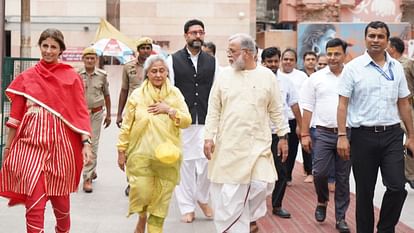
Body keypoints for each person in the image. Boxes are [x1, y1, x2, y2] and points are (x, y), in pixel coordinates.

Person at [0, 28, 92, 233]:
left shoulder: (71, 78)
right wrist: (7, 150)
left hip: (61, 149)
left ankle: (63, 230)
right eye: (45, 46)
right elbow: (14, 118)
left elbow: (79, 114)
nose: (48, 51)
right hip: (30, 148)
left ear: (61, 50)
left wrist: (86, 143)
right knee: (35, 203)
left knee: (61, 205)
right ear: (40, 46)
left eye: (53, 47)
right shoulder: (27, 78)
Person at [204, 33, 289, 233]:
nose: (229, 55)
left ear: (247, 53)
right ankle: (243, 226)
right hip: (229, 145)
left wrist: (283, 136)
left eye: (232, 51)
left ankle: (248, 219)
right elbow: (213, 109)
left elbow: (277, 109)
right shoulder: (223, 75)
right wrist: (209, 136)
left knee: (261, 184)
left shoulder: (267, 76)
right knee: (228, 194)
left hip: (258, 144)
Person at [337, 21, 414, 233]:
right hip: (362, 137)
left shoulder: (396, 67)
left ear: (387, 40)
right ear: (365, 38)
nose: (376, 40)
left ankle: (386, 228)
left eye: (380, 36)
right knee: (365, 194)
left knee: (398, 187)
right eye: (372, 36)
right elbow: (342, 103)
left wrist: (412, 135)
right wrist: (342, 135)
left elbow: (404, 103)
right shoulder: (353, 68)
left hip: (391, 135)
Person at [117, 54, 192, 233]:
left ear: (167, 72)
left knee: (162, 198)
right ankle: (142, 217)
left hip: (167, 158)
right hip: (140, 155)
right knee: (141, 193)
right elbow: (127, 124)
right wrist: (121, 150)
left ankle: (155, 227)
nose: (158, 75)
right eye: (154, 71)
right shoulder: (137, 95)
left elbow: (187, 120)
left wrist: (169, 110)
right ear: (147, 74)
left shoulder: (175, 94)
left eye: (162, 71)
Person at [300, 38, 351, 233]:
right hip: (322, 133)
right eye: (329, 53)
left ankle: (341, 217)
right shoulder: (316, 78)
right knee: (319, 173)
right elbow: (308, 106)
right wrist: (305, 133)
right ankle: (322, 201)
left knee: (343, 177)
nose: (332, 57)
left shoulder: (352, 76)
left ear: (344, 55)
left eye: (337, 53)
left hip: (347, 134)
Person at [168, 19, 216, 223]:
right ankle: (187, 207)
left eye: (201, 32)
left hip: (206, 118)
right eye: (194, 32)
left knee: (207, 162)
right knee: (185, 165)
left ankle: (202, 198)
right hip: (183, 120)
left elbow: (216, 90)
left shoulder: (212, 61)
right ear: (186, 35)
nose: (198, 36)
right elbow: (169, 90)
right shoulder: (172, 60)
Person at [261, 46, 301, 219]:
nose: (273, 64)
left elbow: (294, 105)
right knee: (258, 172)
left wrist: (301, 127)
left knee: (282, 171)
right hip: (259, 134)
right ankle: (255, 205)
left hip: (280, 134)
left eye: (275, 61)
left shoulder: (286, 82)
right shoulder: (256, 80)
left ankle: (277, 205)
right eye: (269, 61)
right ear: (263, 62)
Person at [117, 36, 153, 196]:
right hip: (133, 113)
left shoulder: (156, 66)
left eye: (148, 47)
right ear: (138, 50)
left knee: (149, 148)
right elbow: (124, 90)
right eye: (143, 48)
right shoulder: (128, 67)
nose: (146, 50)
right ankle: (131, 182)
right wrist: (119, 114)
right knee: (131, 149)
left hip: (151, 112)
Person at [78, 47, 111, 193]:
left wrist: (109, 115)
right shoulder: (77, 75)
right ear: (83, 59)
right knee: (82, 144)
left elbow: (107, 95)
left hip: (97, 114)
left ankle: (87, 177)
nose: (90, 61)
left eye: (92, 58)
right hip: (80, 114)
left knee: (93, 144)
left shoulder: (102, 75)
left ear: (96, 60)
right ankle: (91, 169)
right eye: (87, 58)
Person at [278, 48, 312, 184]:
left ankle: (287, 176)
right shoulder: (275, 75)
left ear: (295, 62)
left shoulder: (302, 77)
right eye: (285, 59)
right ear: (281, 60)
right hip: (279, 120)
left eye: (291, 59)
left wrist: (301, 123)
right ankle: (280, 176)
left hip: (295, 119)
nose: (288, 62)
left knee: (292, 149)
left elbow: (304, 99)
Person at [387, 36, 414, 189]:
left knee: (410, 139)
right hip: (391, 109)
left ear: (393, 48)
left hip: (407, 107)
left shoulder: (408, 64)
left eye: (388, 46)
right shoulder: (387, 65)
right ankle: (400, 173)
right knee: (395, 142)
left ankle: (410, 175)